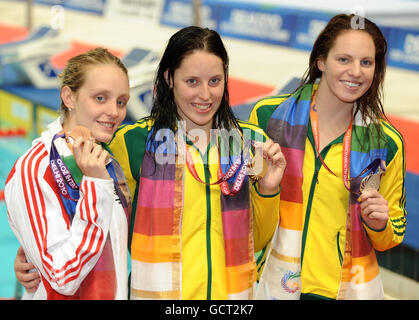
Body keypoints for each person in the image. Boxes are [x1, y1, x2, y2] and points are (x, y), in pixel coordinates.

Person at [14, 26, 286, 300]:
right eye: (192, 81)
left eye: (214, 81)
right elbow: (75, 210)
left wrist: (268, 190)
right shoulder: (135, 143)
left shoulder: (249, 143)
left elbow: (255, 241)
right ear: (169, 79)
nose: (205, 94)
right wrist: (30, 255)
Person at [250, 14, 407, 300]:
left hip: (345, 291)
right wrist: (266, 191)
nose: (356, 71)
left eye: (366, 62)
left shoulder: (387, 142)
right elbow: (244, 218)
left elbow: (392, 233)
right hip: (271, 284)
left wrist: (379, 223)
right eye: (344, 59)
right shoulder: (267, 118)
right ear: (321, 60)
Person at [5, 47, 131, 299]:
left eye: (121, 101)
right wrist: (95, 186)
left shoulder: (106, 158)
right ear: (69, 97)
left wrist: (32, 249)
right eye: (100, 98)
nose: (114, 112)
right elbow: (63, 277)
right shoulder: (36, 168)